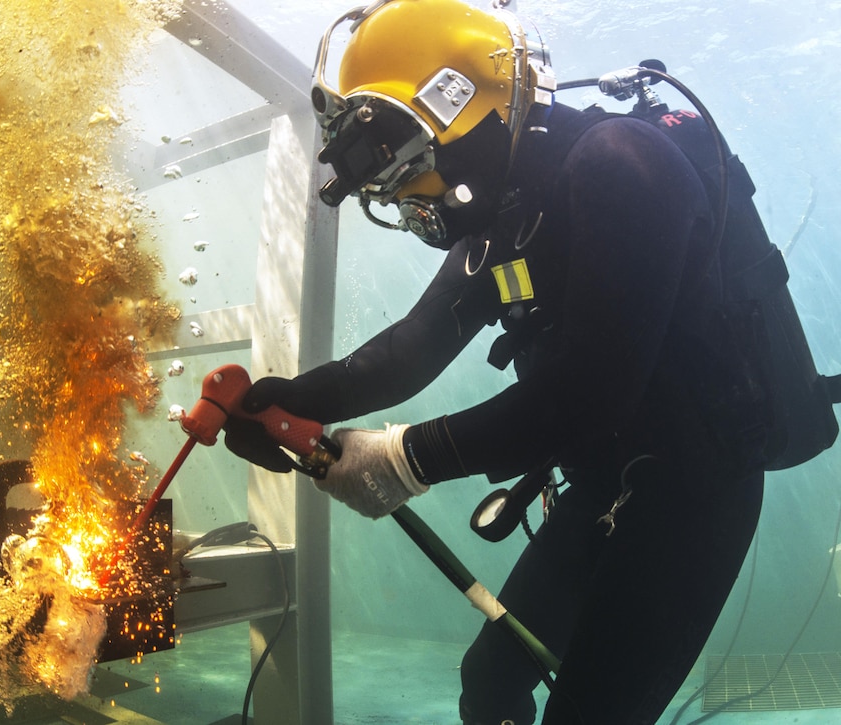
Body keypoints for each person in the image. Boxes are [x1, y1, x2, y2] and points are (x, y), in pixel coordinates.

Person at [224, 0, 770, 722]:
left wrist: (406, 458)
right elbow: (408, 350)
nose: (415, 206)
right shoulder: (510, 219)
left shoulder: (623, 165)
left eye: (412, 173)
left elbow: (590, 389)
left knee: (588, 712)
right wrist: (286, 400)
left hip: (696, 488)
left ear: (466, 106)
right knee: (490, 682)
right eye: (393, 192)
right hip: (605, 481)